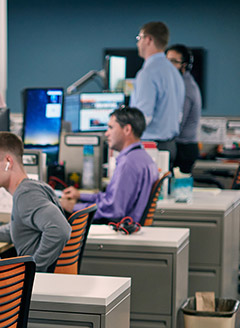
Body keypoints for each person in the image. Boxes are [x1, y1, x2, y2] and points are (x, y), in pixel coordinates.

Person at [0, 132, 71, 272]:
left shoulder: (26, 196)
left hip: (35, 282)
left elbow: (60, 229)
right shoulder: (35, 187)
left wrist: (34, 270)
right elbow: (18, 228)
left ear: (8, 162)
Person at [60, 107, 158, 223]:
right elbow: (111, 198)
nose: (106, 133)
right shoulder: (143, 158)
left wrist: (73, 207)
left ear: (127, 129)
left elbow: (113, 209)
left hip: (118, 226)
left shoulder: (128, 163)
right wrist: (80, 195)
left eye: (111, 128)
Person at [132, 21, 185, 165]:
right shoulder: (174, 72)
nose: (138, 43)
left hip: (151, 148)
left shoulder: (148, 73)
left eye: (139, 38)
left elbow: (143, 117)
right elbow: (179, 116)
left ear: (148, 39)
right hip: (170, 146)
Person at [166, 44, 202, 173]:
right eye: (166, 60)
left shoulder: (185, 87)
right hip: (182, 147)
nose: (168, 65)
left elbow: (178, 123)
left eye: (173, 61)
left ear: (184, 65)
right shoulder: (183, 83)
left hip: (183, 149)